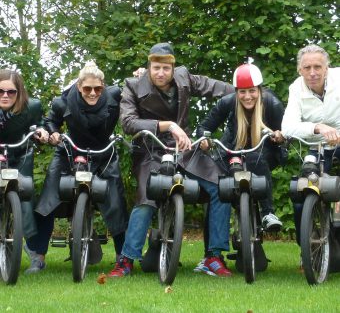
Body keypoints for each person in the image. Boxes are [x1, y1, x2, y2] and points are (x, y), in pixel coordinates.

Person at [108, 42, 235, 278]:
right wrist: (168, 125)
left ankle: (214, 256)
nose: (161, 73)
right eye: (156, 67)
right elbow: (127, 123)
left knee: (221, 186)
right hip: (150, 149)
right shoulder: (132, 85)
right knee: (146, 197)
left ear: (172, 67)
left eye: (166, 68)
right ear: (148, 67)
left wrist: (246, 89)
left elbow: (213, 86)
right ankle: (126, 260)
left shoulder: (183, 78)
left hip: (185, 148)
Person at [24, 62, 128, 273]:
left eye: (98, 89)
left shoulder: (115, 95)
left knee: (116, 201)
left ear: (104, 86)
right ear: (79, 86)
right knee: (48, 199)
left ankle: (122, 257)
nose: (92, 93)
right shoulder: (63, 101)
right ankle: (38, 256)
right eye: (87, 88)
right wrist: (52, 133)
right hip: (70, 151)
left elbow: (139, 98)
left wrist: (142, 77)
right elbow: (50, 121)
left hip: (104, 153)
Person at [196, 61, 284, 235]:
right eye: (242, 92)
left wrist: (280, 137)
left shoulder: (273, 104)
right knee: (215, 182)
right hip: (232, 148)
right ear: (236, 92)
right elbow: (204, 127)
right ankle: (213, 251)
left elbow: (287, 134)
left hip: (265, 150)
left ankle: (268, 213)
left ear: (259, 90)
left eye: (252, 91)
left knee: (254, 159)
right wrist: (203, 139)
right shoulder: (227, 103)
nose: (247, 96)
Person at [281, 44, 340, 245]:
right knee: (302, 192)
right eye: (307, 68)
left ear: (327, 67)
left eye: (318, 66)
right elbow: (287, 127)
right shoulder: (295, 88)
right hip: (317, 146)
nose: (313, 73)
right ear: (300, 70)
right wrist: (318, 127)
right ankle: (306, 249)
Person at [0, 69, 49, 240]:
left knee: (25, 195)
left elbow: (41, 125)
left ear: (19, 92)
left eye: (11, 91)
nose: (5, 95)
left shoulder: (32, 107)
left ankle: (31, 248)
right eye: (0, 91)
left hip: (21, 155)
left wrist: (42, 132)